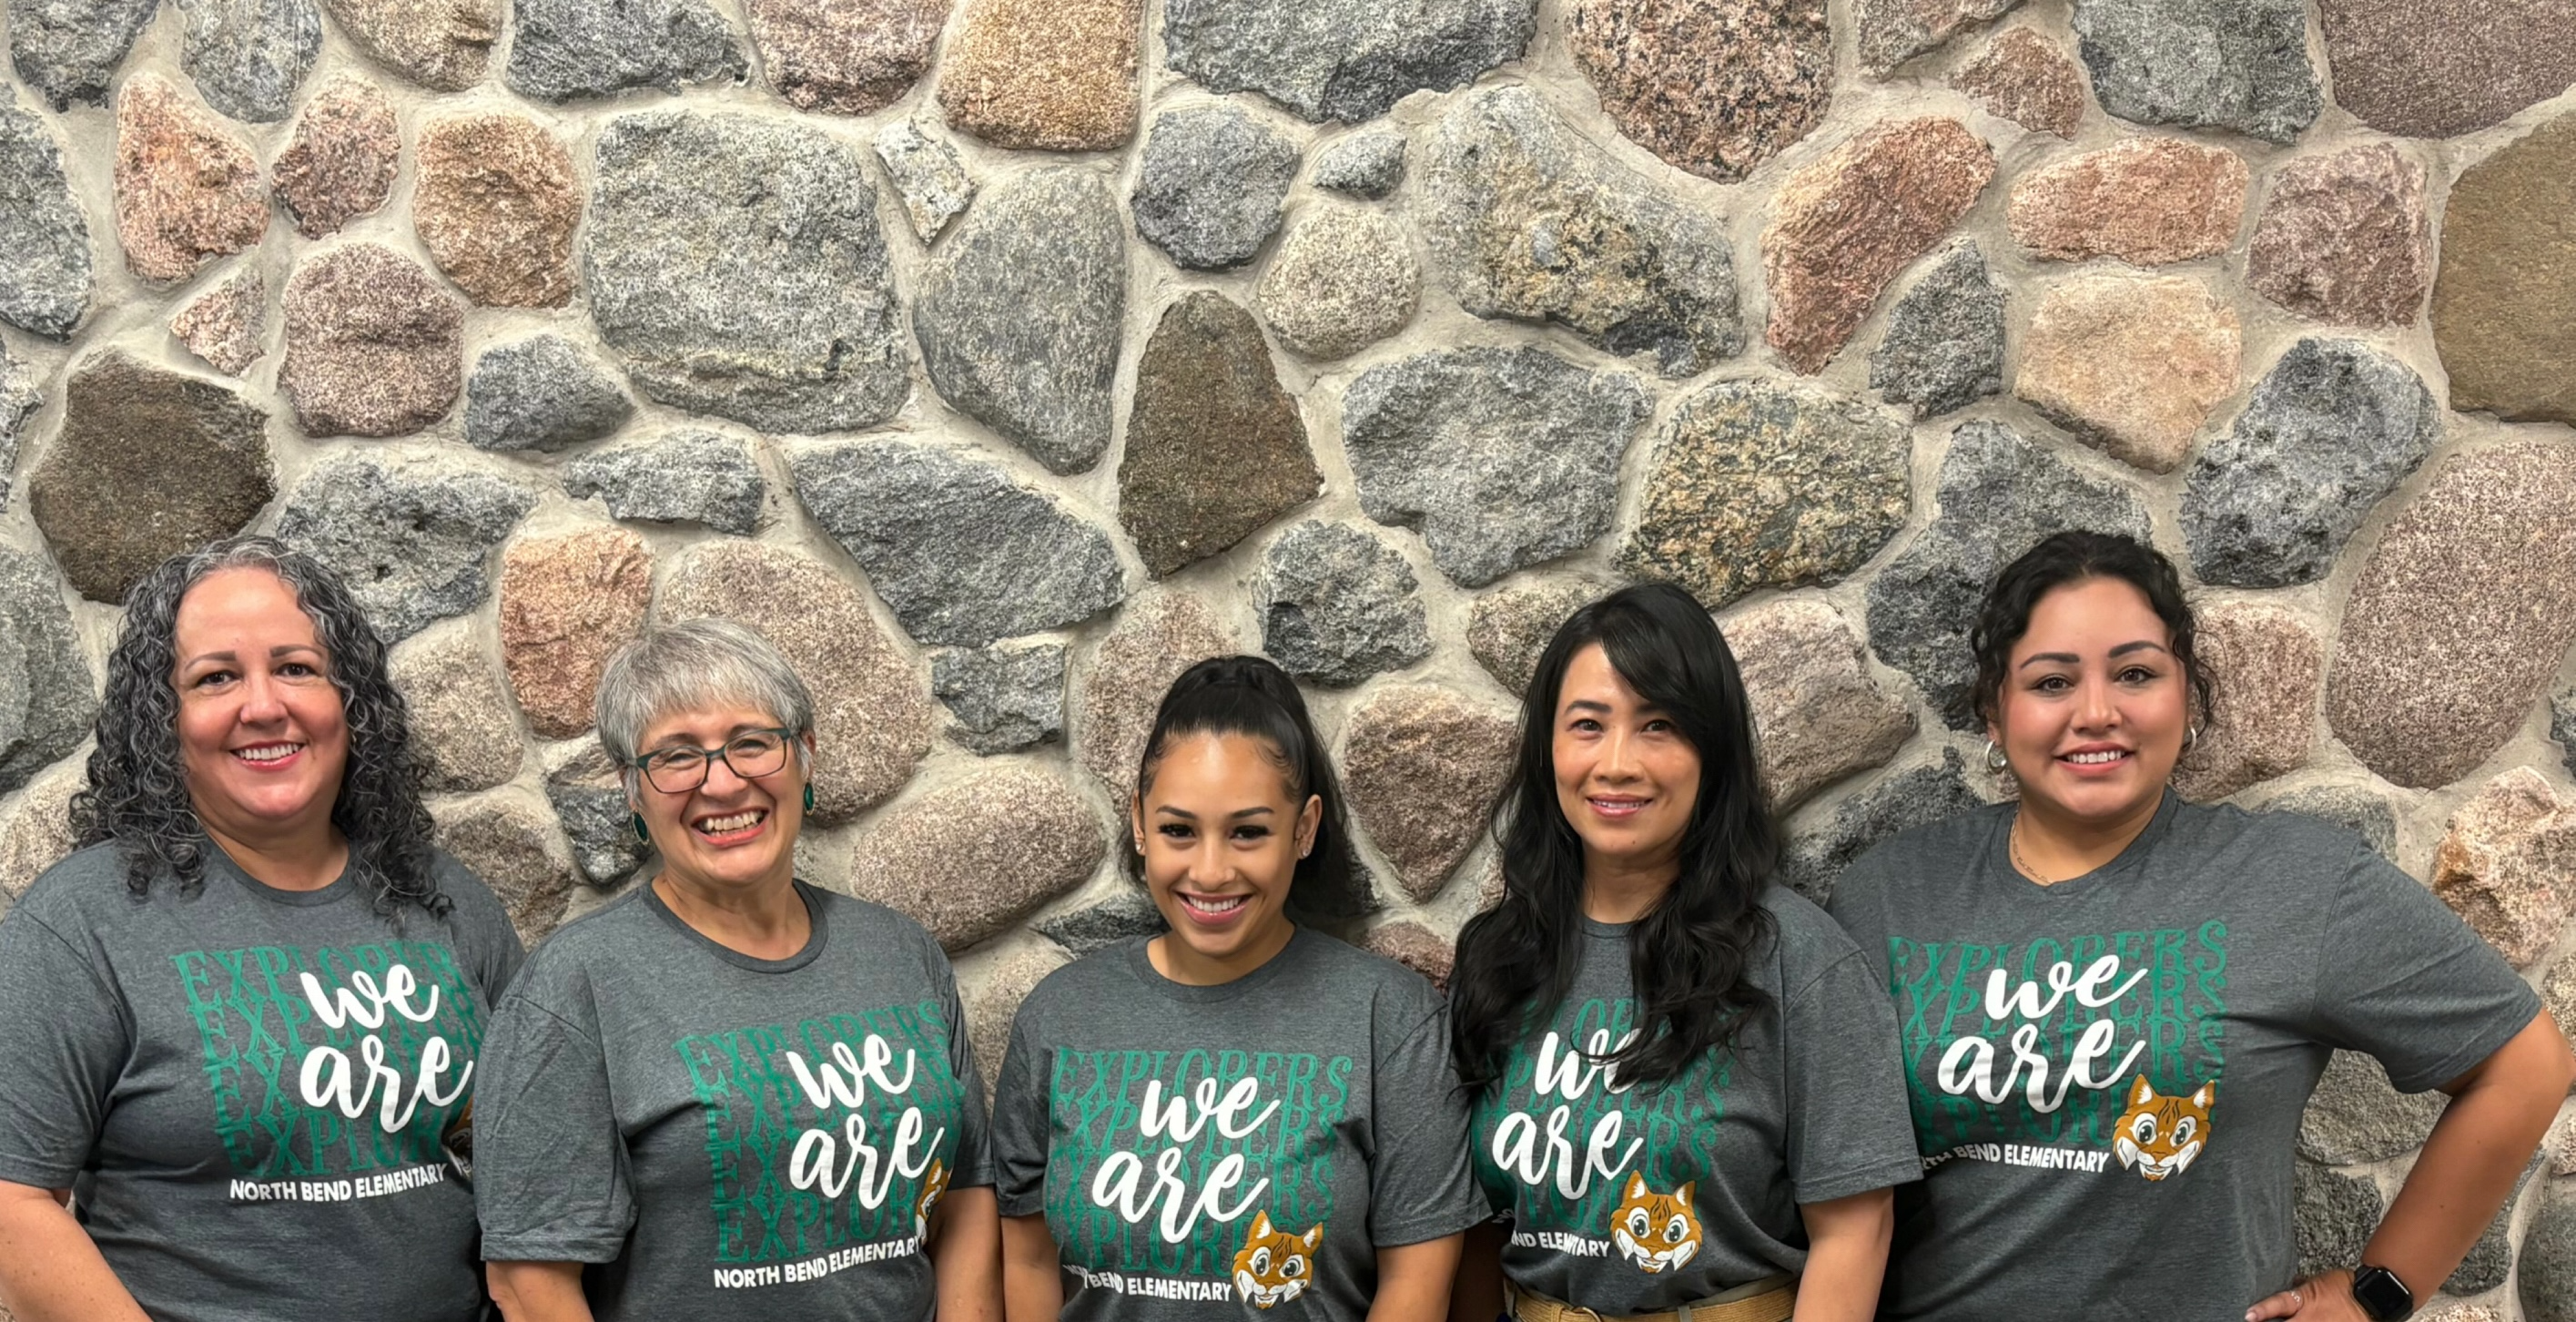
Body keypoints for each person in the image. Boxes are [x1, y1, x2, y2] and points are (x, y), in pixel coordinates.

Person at [1830, 529, 2576, 1321]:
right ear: (1993, 710)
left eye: (2136, 673)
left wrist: (2378, 1295)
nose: (2096, 712)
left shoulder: (2296, 880)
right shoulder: (1892, 893)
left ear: (2186, 696)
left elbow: (2525, 1068)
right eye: (2051, 682)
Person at [0, 536, 525, 1322]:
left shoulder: (447, 900)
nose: (264, 705)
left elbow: (531, 1149)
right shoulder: (82, 924)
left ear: (349, 699)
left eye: (296, 668)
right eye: (216, 678)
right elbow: (13, 1201)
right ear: (163, 720)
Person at [473, 618, 998, 1322]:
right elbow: (527, 1280)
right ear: (634, 792)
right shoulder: (577, 985)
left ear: (804, 756)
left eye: (752, 743)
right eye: (676, 757)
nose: (721, 784)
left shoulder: (901, 954)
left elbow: (963, 1192)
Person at [1446, 583, 1921, 1322]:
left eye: (1658, 725)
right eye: (1587, 725)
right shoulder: (1500, 958)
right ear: (1548, 749)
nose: (1617, 763)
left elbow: (1857, 1229)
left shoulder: (1796, 956)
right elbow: (1472, 1227)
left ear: (1712, 749)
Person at [992, 655, 1486, 1322]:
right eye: (1178, 831)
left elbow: (1417, 1291)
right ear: (1139, 824)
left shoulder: (1390, 1020)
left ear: (1303, 830)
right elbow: (1027, 1261)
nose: (1211, 870)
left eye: (1248, 832)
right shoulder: (1060, 1017)